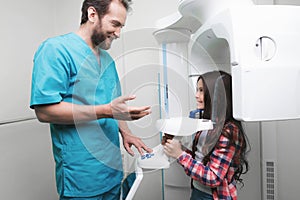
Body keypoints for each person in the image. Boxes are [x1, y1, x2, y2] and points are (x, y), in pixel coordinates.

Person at [30, 0, 152, 199]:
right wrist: (105, 111)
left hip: (112, 172)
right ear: (93, 14)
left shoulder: (107, 60)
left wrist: (126, 132)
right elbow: (44, 111)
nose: (118, 33)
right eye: (115, 24)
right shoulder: (56, 49)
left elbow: (114, 105)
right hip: (82, 178)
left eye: (121, 26)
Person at [163, 71, 249, 200]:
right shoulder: (207, 124)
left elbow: (213, 178)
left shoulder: (229, 131)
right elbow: (200, 159)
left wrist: (180, 155)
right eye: (197, 90)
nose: (196, 95)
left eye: (202, 90)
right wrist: (178, 148)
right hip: (198, 190)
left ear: (216, 95)